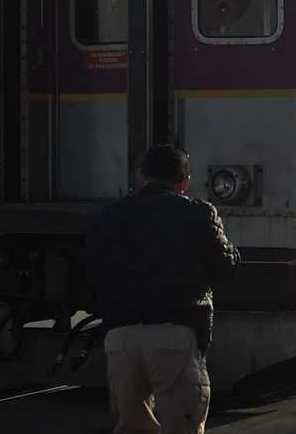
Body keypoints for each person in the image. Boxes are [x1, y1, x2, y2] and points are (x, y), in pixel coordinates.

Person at [86, 144, 240, 434]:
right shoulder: (198, 214)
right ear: (184, 183)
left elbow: (92, 272)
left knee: (131, 427)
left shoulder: (106, 217)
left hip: (120, 339)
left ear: (141, 177)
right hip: (175, 336)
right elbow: (226, 267)